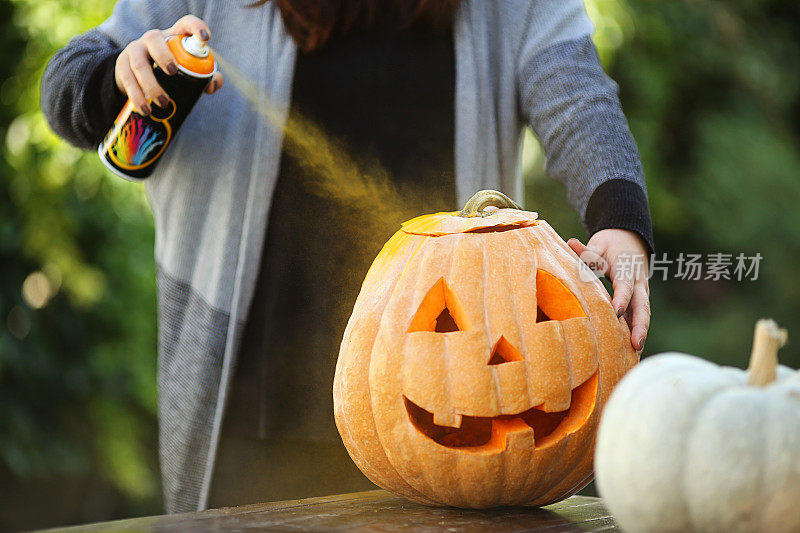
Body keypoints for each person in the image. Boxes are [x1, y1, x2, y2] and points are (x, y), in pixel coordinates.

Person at [41, 0, 653, 514]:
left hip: (455, 408)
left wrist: (621, 223)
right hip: (248, 392)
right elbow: (65, 83)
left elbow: (579, 100)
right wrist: (117, 76)